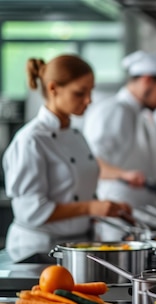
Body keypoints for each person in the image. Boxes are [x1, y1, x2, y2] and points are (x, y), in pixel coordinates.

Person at [2, 55, 133, 262]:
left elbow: (76, 192)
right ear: (53, 89)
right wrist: (91, 208)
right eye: (80, 92)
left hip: (77, 246)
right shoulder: (31, 140)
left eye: (90, 91)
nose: (89, 100)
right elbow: (31, 210)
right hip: (37, 250)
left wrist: (106, 208)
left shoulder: (76, 136)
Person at [82, 50, 156, 240]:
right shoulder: (114, 111)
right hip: (116, 219)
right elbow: (90, 161)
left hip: (134, 217)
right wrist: (123, 175)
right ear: (147, 80)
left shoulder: (140, 114)